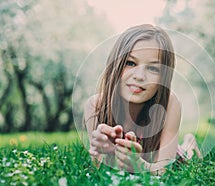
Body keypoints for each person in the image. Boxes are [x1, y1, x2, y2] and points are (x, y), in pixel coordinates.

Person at [84, 24, 201, 175]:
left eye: (153, 68)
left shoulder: (170, 103)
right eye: (131, 63)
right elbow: (98, 168)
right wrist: (106, 151)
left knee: (185, 157)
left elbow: (164, 169)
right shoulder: (95, 106)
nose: (139, 76)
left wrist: (140, 166)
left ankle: (189, 144)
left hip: (169, 154)